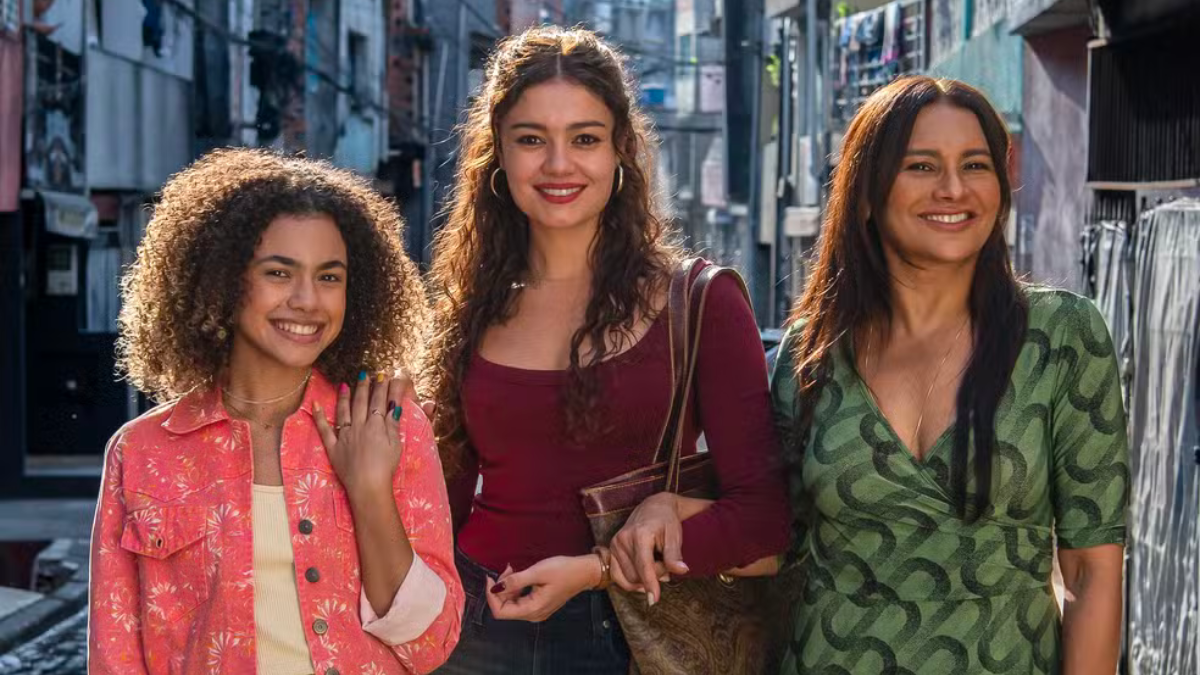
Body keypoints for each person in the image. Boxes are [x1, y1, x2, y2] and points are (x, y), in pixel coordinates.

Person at [422, 26, 791, 674]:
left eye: (585, 138)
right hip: (470, 629)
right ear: (498, 153)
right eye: (531, 139)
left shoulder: (699, 301)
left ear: (622, 148)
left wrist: (597, 567)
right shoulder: (470, 305)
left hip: (628, 634)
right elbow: (441, 507)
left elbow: (765, 525)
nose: (558, 164)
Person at [770, 76, 1129, 673]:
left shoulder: (1062, 336)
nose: (954, 189)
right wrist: (664, 512)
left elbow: (1093, 573)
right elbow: (767, 545)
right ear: (866, 193)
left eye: (975, 165)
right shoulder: (811, 353)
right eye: (922, 166)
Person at [88, 149, 463, 674]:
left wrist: (370, 490)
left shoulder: (388, 423)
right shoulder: (142, 452)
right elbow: (115, 656)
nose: (308, 300)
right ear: (222, 280)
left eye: (329, 277)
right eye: (279, 273)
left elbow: (429, 645)